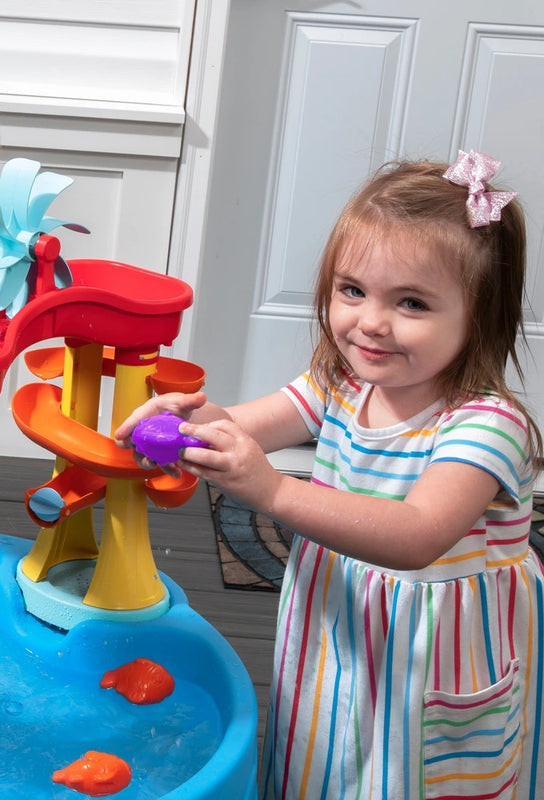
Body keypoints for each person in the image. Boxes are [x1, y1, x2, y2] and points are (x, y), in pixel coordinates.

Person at [116, 151, 544, 799]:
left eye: (411, 302)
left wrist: (274, 491)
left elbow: (418, 534)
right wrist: (189, 422)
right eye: (352, 291)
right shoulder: (341, 383)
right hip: (340, 625)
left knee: (422, 775)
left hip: (437, 650)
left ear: (478, 316)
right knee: (328, 752)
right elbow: (248, 422)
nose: (370, 322)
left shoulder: (485, 426)